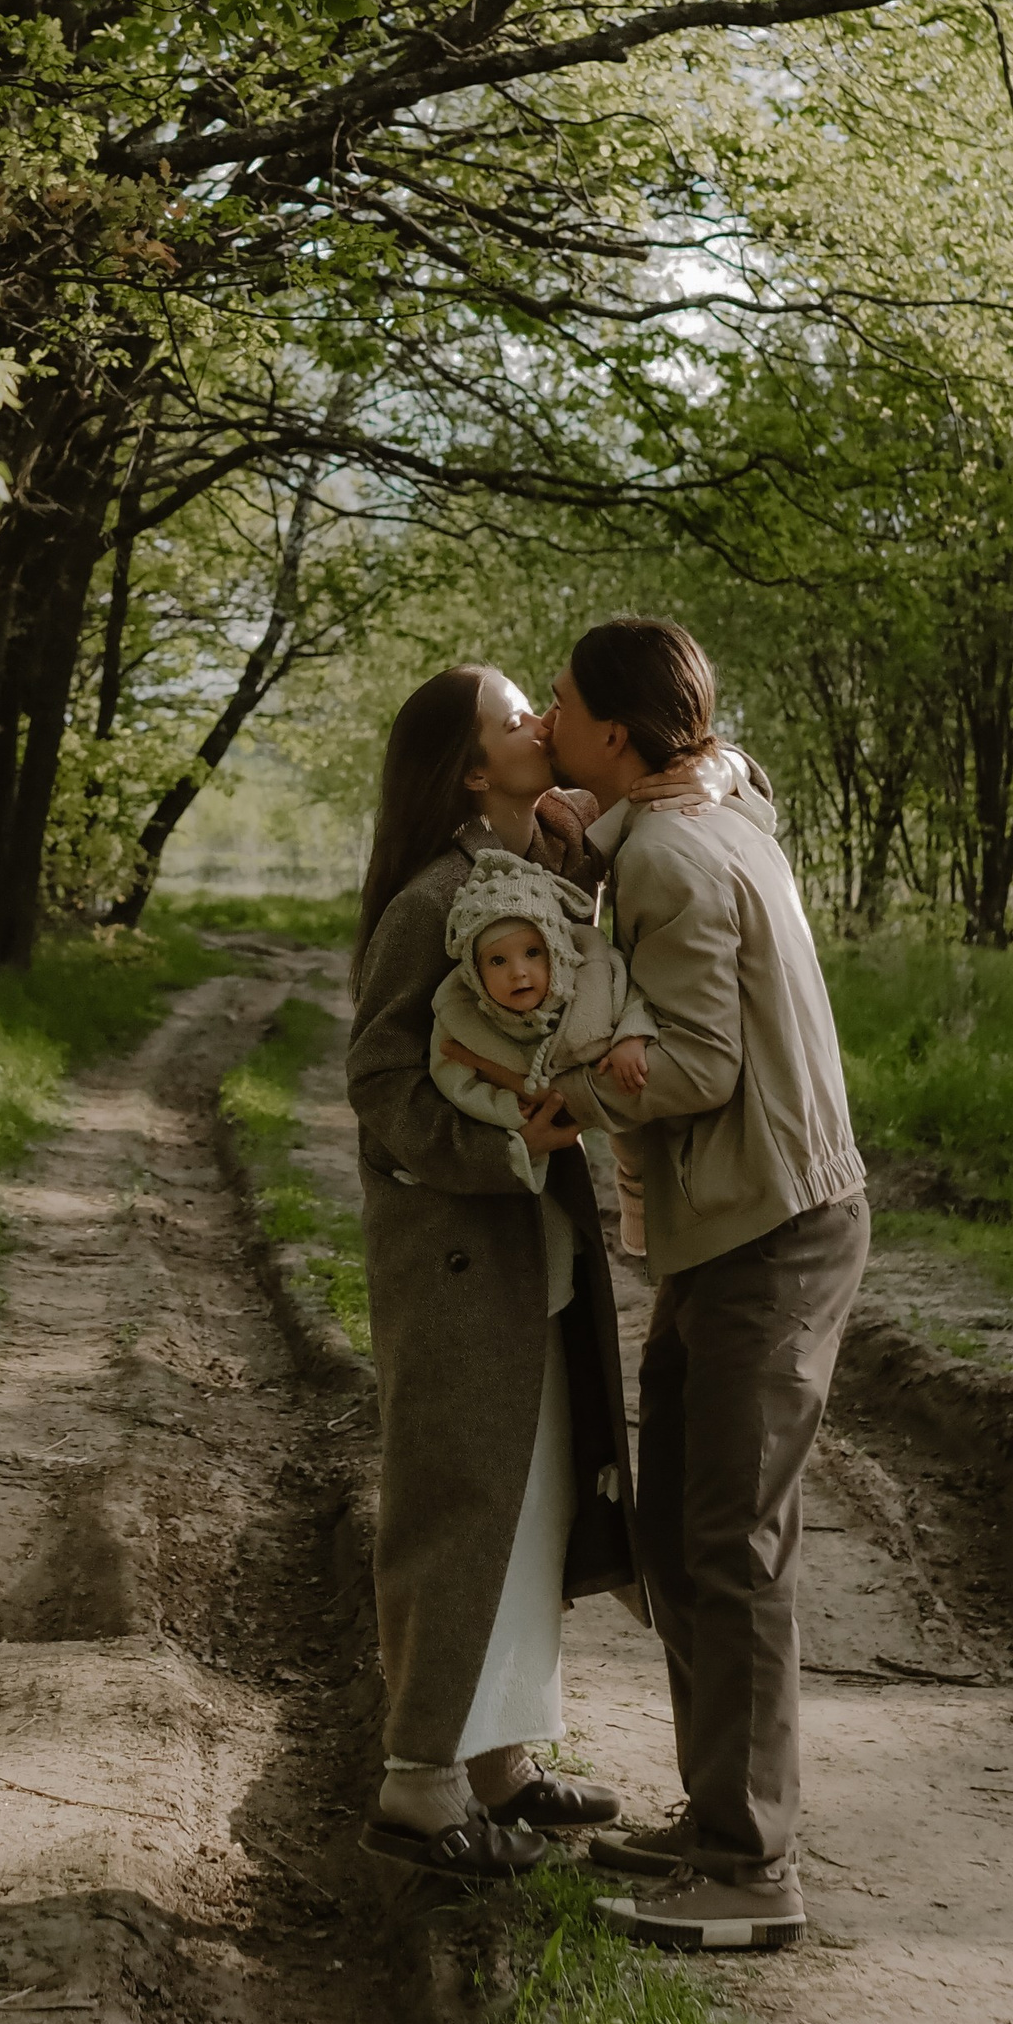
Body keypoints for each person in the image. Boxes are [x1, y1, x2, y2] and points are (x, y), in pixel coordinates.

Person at [544, 615, 869, 1951]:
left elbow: (693, 1071)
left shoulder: (670, 853)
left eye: (558, 707)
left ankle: (749, 1867)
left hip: (765, 1235)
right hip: (736, 1227)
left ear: (614, 735)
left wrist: (563, 1072)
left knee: (727, 1544)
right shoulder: (706, 804)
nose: (544, 728)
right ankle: (718, 1811)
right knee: (679, 1521)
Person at [344, 665, 638, 1880]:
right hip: (462, 1246)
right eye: (513, 716)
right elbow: (378, 1083)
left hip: (534, 1240)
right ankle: (418, 1778)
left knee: (533, 1496)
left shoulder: (534, 872)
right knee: (457, 1498)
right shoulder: (434, 897)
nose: (537, 723)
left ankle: (502, 1755)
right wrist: (499, 1144)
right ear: (470, 770)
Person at [428, 851, 658, 1253]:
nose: (519, 971)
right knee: (534, 1202)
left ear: (556, 950)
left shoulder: (592, 977)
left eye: (533, 953)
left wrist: (631, 1038)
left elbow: (635, 996)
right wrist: (502, 1108)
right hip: (531, 1113)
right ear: (475, 974)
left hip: (597, 1072)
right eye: (498, 961)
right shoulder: (463, 1017)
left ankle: (640, 1207)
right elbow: (452, 1077)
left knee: (635, 1134)